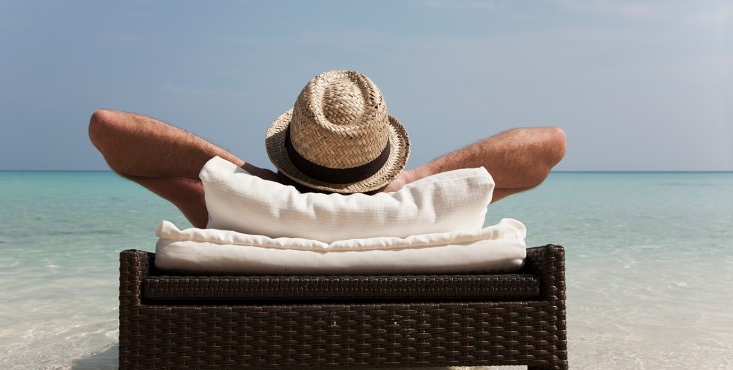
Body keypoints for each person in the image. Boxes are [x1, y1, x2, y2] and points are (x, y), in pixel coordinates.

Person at [89, 70, 566, 228]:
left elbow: (107, 129)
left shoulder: (240, 207)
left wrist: (242, 173)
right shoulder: (422, 213)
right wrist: (411, 180)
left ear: (290, 146)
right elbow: (550, 146)